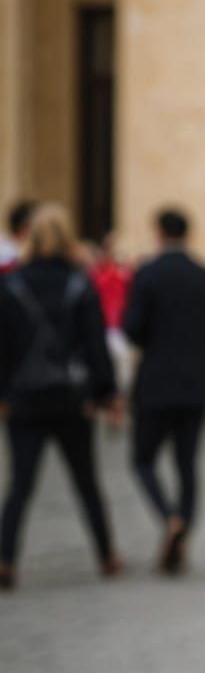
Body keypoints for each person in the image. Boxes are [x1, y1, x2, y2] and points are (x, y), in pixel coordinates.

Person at [0, 202, 124, 589]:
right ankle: (106, 553)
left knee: (21, 483)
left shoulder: (11, 284)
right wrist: (106, 393)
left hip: (24, 396)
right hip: (70, 396)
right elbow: (95, 346)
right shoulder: (78, 283)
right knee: (86, 479)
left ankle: (5, 557)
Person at [121, 206, 205, 575]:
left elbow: (133, 329)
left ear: (157, 232)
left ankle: (169, 517)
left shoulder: (147, 275)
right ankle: (182, 526)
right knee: (186, 462)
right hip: (197, 381)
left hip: (156, 381)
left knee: (143, 458)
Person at [88, 231, 135, 396]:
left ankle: (119, 394)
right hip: (103, 323)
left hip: (118, 323)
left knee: (122, 362)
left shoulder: (122, 272)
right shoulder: (95, 273)